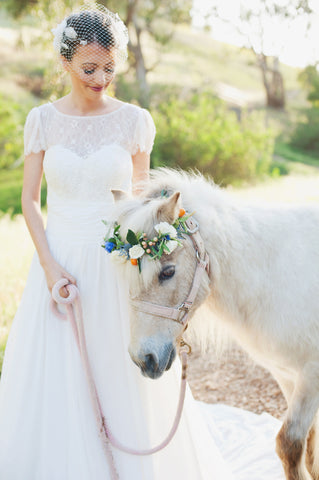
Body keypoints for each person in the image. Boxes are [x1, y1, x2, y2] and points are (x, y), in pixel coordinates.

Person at [0, 5, 285, 480]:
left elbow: (142, 201)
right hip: (61, 260)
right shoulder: (42, 121)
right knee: (59, 376)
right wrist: (50, 267)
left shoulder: (134, 121)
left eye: (110, 68)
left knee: (125, 371)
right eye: (89, 68)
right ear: (66, 62)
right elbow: (30, 202)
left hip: (120, 264)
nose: (101, 79)